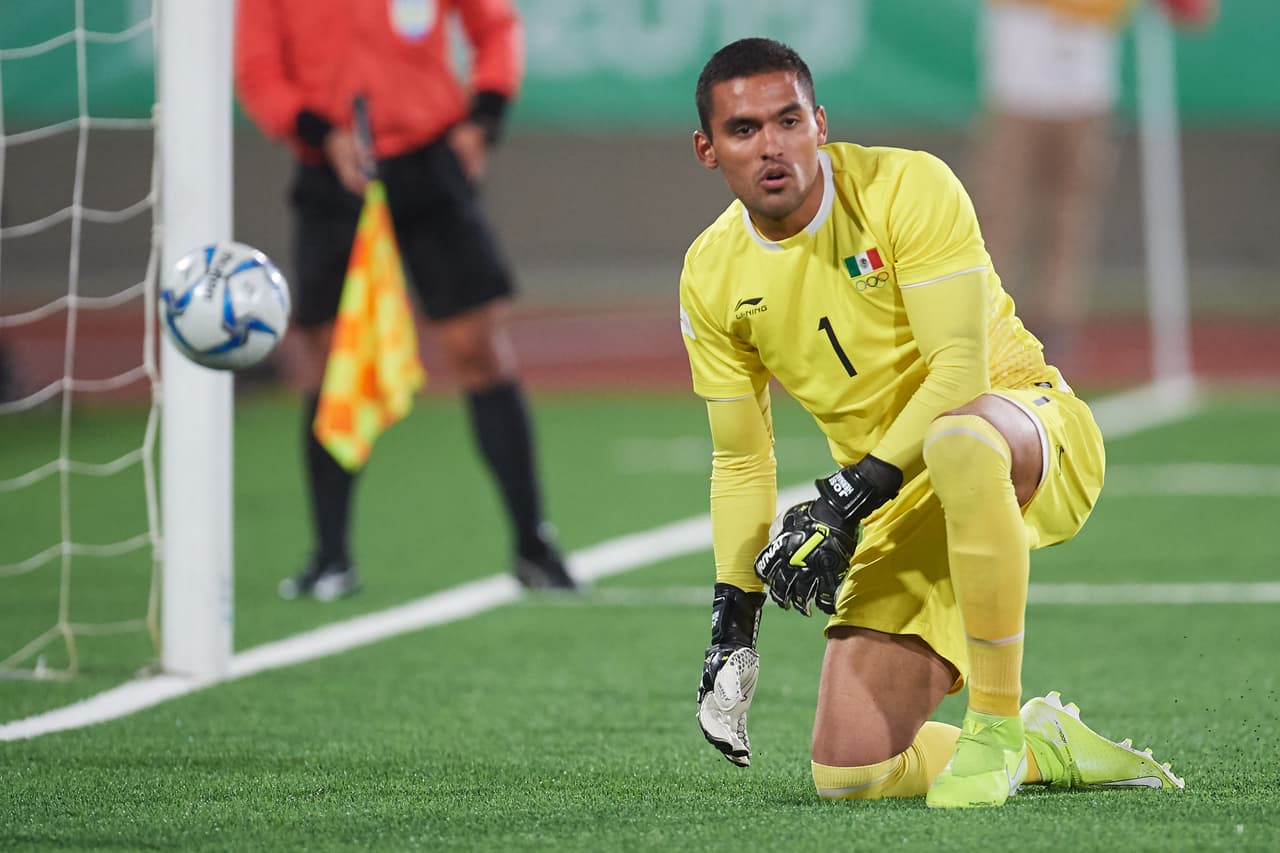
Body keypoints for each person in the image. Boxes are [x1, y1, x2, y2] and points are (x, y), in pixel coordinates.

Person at [683, 38, 1183, 807]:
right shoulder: (712, 273)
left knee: (958, 436)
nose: (773, 145)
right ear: (708, 150)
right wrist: (733, 622)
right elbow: (742, 461)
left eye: (789, 120)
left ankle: (990, 726)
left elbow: (959, 373)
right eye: (744, 130)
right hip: (893, 494)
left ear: (820, 122)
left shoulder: (907, 186)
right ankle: (1037, 743)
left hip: (1024, 427)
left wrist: (844, 498)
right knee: (850, 772)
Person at [234, 0, 576, 598]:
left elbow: (495, 25)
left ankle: (532, 544)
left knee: (480, 348)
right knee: (332, 358)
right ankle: (331, 557)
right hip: (331, 169)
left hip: (429, 162)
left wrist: (484, 116)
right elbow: (258, 72)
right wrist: (319, 133)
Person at [973, 0, 1217, 368]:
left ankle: (1053, 325)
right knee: (998, 211)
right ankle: (982, 320)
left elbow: (1191, 14)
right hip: (1018, 91)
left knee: (1070, 215)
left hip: (1085, 93)